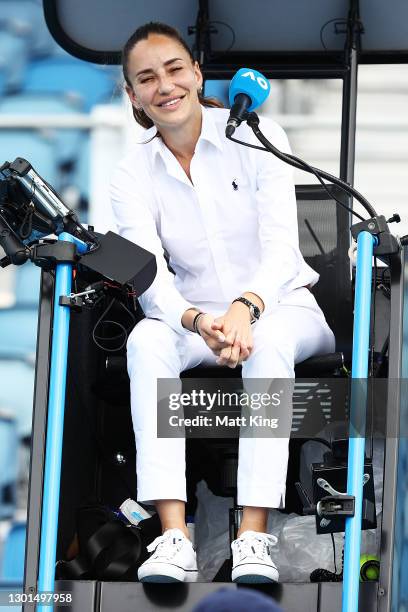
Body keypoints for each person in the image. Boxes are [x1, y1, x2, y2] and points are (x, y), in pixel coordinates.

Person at [110, 21, 335, 584]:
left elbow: (283, 248)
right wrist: (197, 319)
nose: (165, 85)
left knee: (269, 343)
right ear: (132, 94)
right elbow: (147, 275)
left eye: (174, 69)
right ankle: (173, 536)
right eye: (147, 78)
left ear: (196, 73)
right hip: (195, 319)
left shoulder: (259, 134)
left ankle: (253, 536)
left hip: (284, 308)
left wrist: (246, 309)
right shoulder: (129, 172)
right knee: (145, 338)